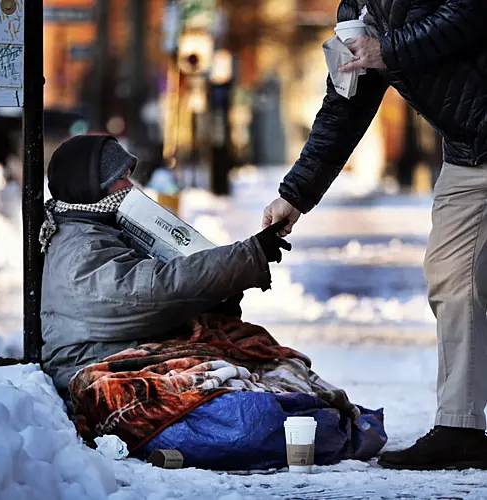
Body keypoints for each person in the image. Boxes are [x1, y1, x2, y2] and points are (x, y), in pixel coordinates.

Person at [262, 0, 487, 470]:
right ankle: (461, 427)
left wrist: (390, 48)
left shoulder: (382, 33)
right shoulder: (358, 10)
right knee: (452, 279)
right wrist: (296, 195)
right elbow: (345, 105)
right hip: (470, 153)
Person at [40, 134, 291, 411]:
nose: (129, 185)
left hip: (118, 351)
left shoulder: (97, 228)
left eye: (128, 175)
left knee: (249, 346)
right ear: (90, 187)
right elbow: (153, 291)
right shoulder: (82, 247)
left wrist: (216, 300)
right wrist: (246, 258)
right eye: (119, 178)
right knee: (240, 406)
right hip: (91, 369)